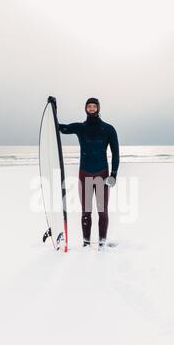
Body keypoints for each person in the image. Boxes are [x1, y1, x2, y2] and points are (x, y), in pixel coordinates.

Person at [59, 97, 120, 251]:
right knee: (86, 211)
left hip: (102, 175)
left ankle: (102, 243)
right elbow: (62, 128)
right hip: (84, 174)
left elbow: (116, 153)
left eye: (94, 106)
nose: (91, 108)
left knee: (102, 211)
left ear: (98, 108)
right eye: (89, 106)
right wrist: (53, 109)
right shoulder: (81, 128)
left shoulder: (108, 129)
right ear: (85, 109)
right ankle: (86, 243)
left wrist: (113, 174)